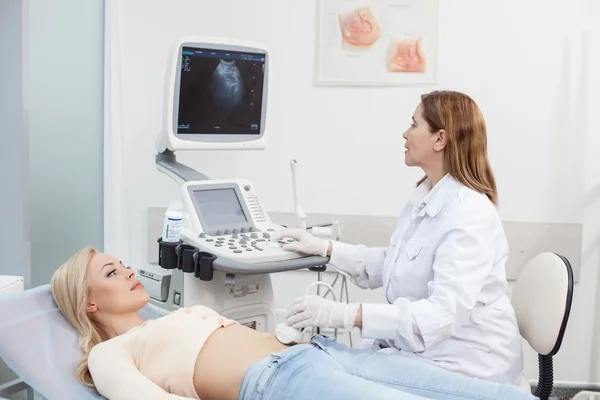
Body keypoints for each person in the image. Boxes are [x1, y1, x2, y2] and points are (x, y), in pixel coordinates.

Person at [50, 247, 537, 400]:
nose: (129, 271)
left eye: (123, 264)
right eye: (111, 273)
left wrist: (294, 326)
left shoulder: (169, 315)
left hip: (320, 352)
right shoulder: (108, 353)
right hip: (281, 380)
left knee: (488, 394)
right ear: (89, 303)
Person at [273, 90, 524, 385]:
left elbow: (442, 314)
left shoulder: (469, 214)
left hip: (467, 363)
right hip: (429, 352)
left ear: (440, 139)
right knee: (315, 364)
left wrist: (343, 314)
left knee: (314, 373)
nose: (405, 134)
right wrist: (326, 248)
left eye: (414, 124)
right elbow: (395, 262)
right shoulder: (427, 196)